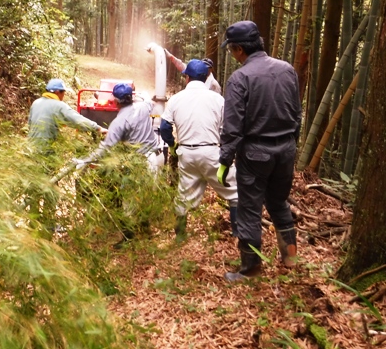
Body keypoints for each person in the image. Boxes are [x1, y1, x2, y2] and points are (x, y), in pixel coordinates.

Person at [217, 21, 302, 282]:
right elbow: (297, 113)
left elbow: (233, 126)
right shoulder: (287, 70)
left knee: (250, 209)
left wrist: (224, 160)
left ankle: (250, 269)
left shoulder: (240, 78)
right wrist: (292, 143)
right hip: (286, 149)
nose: (232, 55)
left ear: (239, 49)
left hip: (256, 152)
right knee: (279, 203)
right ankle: (290, 259)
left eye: (231, 50)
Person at [76, 83, 165, 246]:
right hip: (156, 158)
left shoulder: (119, 122)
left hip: (140, 163)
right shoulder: (143, 107)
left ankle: (129, 238)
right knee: (145, 196)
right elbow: (151, 102)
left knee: (129, 201)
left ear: (115, 101)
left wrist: (85, 160)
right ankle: (146, 231)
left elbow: (105, 147)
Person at [159, 59, 238, 242]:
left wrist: (172, 146)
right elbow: (229, 128)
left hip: (186, 154)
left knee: (183, 195)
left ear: (187, 77)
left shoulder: (176, 99)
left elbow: (164, 127)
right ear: (206, 76)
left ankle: (180, 237)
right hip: (212, 153)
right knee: (235, 193)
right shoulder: (218, 99)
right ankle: (238, 235)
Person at [28, 78, 107, 153]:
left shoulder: (36, 103)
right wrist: (98, 128)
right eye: (63, 93)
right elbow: (77, 120)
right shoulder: (59, 105)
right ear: (58, 92)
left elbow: (30, 124)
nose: (63, 96)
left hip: (30, 147)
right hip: (45, 149)